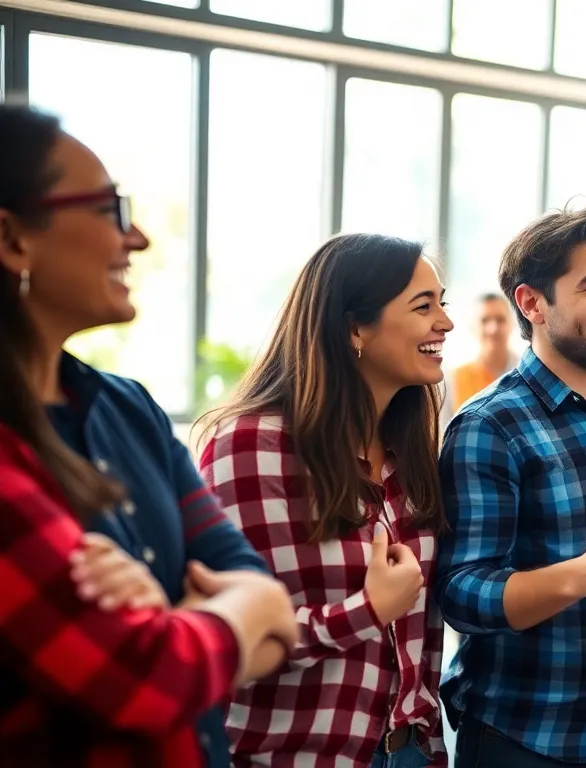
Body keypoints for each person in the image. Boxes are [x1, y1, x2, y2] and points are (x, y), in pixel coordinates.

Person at [0, 102, 298, 766]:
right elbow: (150, 681)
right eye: (111, 211)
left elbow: (269, 603)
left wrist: (174, 622)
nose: (137, 240)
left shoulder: (126, 407)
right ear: (14, 239)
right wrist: (211, 620)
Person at [436, 204, 586, 768]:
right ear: (532, 303)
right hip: (527, 739)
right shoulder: (489, 426)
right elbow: (461, 596)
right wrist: (579, 577)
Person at [197, 233, 453, 767]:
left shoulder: (411, 456)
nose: (445, 323)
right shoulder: (253, 447)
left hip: (407, 753)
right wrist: (367, 611)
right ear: (355, 327)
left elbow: (418, 638)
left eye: (441, 303)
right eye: (423, 306)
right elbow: (234, 638)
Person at [443, 292, 517, 415]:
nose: (493, 328)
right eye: (484, 320)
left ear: (512, 324)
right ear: (472, 327)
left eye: (500, 320)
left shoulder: (527, 374)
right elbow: (443, 431)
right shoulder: (454, 380)